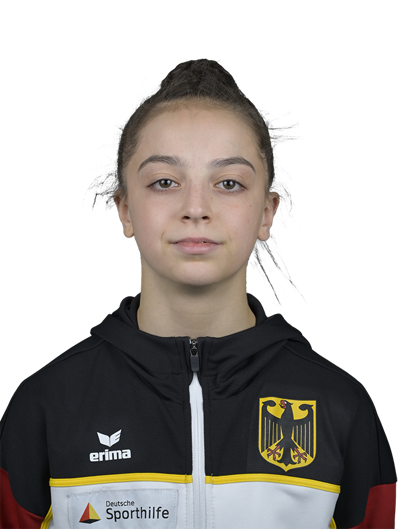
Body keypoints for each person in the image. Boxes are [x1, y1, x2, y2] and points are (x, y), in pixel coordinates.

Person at [0, 57, 396, 528]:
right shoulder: (45, 405)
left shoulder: (341, 405)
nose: (195, 208)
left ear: (266, 212)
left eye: (228, 183)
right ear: (125, 208)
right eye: (165, 182)